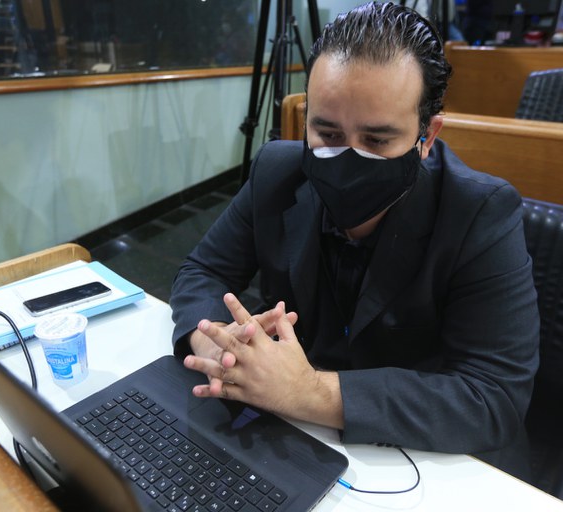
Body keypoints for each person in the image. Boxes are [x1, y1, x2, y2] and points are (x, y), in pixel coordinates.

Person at [170, 2, 539, 477]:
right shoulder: (276, 171)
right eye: (327, 133)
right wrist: (218, 348)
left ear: (427, 136)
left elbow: (493, 397)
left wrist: (311, 392)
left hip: (411, 458)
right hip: (284, 441)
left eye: (377, 141)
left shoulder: (480, 213)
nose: (347, 159)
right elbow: (203, 270)